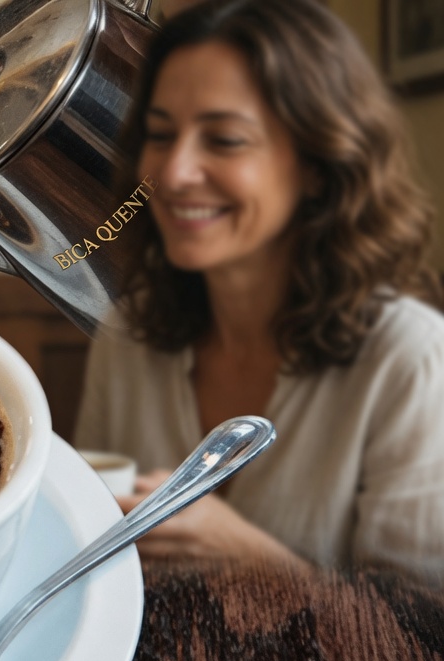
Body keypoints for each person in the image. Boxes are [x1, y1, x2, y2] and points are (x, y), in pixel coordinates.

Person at [75, 0, 444, 580]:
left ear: (318, 163)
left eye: (223, 140)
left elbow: (422, 645)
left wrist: (261, 564)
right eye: (161, 135)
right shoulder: (128, 336)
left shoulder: (409, 356)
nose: (172, 174)